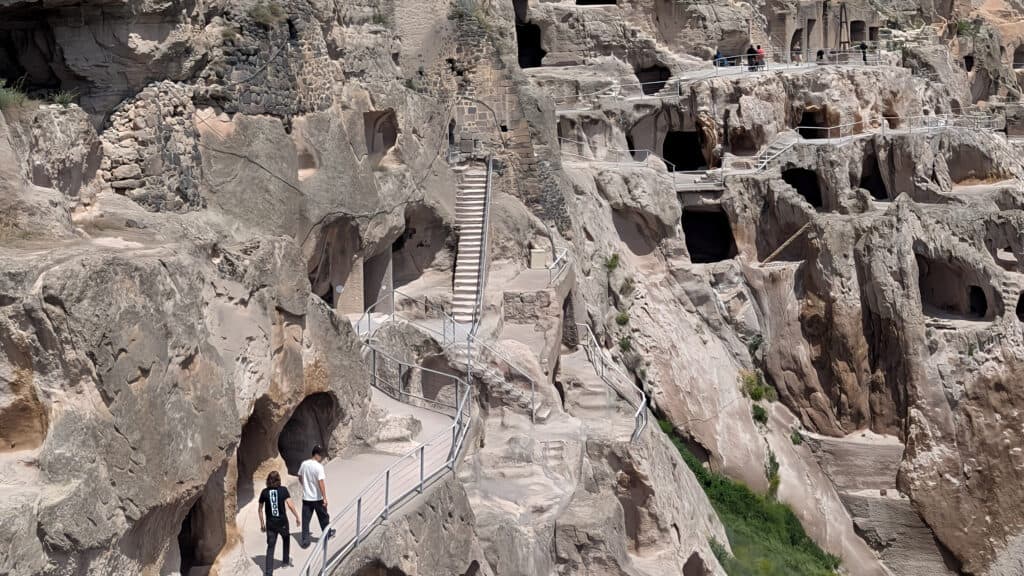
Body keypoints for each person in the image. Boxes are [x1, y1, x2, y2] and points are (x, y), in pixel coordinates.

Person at [258, 471, 300, 575]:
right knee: (286, 539)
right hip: (282, 523)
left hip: (270, 524)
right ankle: (285, 561)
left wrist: (262, 524)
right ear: (278, 480)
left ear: (268, 480)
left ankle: (268, 573)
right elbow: (290, 505)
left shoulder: (264, 492)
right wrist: (297, 516)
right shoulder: (283, 490)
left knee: (270, 547)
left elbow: (259, 509)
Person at [298, 444, 335, 548]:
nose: (322, 457)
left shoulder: (304, 464)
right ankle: (327, 534)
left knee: (305, 520)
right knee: (323, 517)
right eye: (321, 455)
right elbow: (321, 483)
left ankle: (305, 541)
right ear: (317, 455)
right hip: (317, 498)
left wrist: (305, 485)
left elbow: (300, 477)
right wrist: (325, 497)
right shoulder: (319, 467)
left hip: (306, 498)